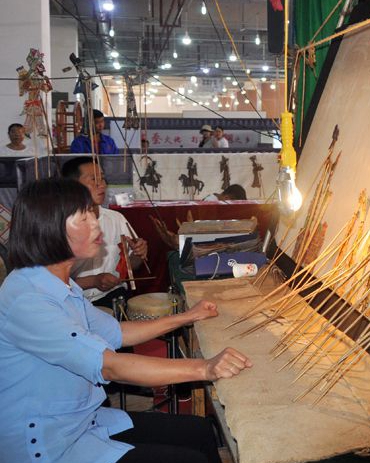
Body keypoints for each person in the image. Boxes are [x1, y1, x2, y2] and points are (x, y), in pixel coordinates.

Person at [0, 177, 251, 463]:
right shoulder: (28, 298)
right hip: (49, 443)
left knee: (199, 432)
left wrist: (188, 316)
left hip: (82, 421)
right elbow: (109, 366)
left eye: (93, 214)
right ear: (49, 228)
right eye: (84, 217)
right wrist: (205, 368)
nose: (96, 224)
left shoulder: (60, 284)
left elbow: (117, 332)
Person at [62, 156, 148, 308]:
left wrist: (138, 254)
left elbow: (131, 266)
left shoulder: (115, 218)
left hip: (112, 295)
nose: (102, 184)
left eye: (102, 178)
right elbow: (49, 281)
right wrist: (92, 281)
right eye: (93, 179)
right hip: (72, 299)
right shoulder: (60, 224)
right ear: (72, 185)